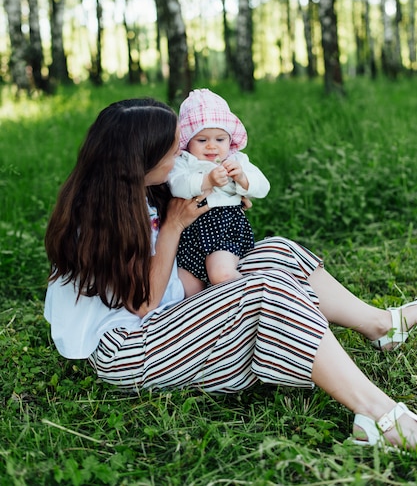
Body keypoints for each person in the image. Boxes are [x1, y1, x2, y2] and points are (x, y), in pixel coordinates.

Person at [44, 97, 417, 451]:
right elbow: (143, 304)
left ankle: (381, 325)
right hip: (130, 346)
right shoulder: (99, 218)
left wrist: (222, 197)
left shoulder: (143, 188)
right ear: (140, 160)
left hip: (170, 307)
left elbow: (190, 210)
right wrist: (174, 225)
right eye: (175, 149)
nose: (183, 153)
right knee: (261, 292)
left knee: (276, 250)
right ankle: (380, 416)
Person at [168, 88, 270, 291]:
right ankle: (218, 315)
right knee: (185, 292)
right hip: (190, 235)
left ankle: (257, 296)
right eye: (202, 140)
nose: (211, 147)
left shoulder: (236, 160)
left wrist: (242, 178)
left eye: (220, 139)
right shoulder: (184, 161)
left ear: (229, 140)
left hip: (224, 226)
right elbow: (175, 184)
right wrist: (207, 181)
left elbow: (263, 187)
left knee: (221, 274)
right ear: (188, 141)